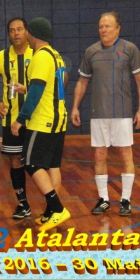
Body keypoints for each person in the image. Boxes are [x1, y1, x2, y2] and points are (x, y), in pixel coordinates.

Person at [71, 11, 140, 216]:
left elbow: (139, 81)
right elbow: (82, 82)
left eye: (107, 26)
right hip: (99, 114)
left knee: (125, 154)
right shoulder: (91, 51)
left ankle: (125, 200)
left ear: (118, 29)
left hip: (122, 113)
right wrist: (75, 107)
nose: (103, 30)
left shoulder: (130, 49)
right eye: (101, 26)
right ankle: (103, 199)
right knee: (99, 155)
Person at [11, 17, 71, 232]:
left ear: (32, 34)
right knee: (52, 165)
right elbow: (58, 84)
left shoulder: (40, 57)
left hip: (43, 121)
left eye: (26, 31)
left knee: (30, 162)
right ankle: (49, 213)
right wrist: (26, 89)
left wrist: (20, 119)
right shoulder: (56, 56)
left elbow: (37, 91)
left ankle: (56, 208)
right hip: (58, 119)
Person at [0, 17, 33, 219]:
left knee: (39, 164)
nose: (16, 33)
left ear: (27, 32)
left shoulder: (38, 54)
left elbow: (60, 77)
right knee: (15, 162)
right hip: (12, 121)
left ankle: (51, 205)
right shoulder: (1, 57)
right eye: (12, 30)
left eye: (19, 29)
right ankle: (23, 204)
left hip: (36, 119)